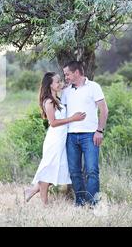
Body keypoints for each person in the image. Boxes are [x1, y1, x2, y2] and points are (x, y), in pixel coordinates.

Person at [25, 72, 86, 205]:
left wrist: (68, 84)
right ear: (50, 85)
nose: (60, 83)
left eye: (60, 81)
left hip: (62, 138)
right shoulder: (49, 101)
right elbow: (53, 123)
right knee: (49, 169)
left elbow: (65, 87)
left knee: (57, 169)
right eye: (57, 81)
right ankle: (44, 204)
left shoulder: (57, 99)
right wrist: (73, 118)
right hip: (55, 139)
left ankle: (32, 191)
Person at [62, 61, 109, 206]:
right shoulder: (66, 91)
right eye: (65, 75)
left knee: (92, 171)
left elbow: (104, 110)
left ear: (76, 72)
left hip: (90, 135)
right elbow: (62, 112)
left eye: (67, 74)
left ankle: (93, 203)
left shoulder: (94, 87)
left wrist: (99, 130)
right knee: (75, 171)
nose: (66, 77)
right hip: (71, 136)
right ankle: (80, 202)